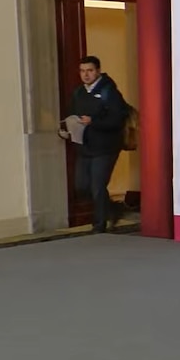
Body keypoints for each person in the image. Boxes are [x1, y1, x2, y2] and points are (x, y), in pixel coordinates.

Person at [61, 55, 128, 233]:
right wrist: (67, 128)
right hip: (84, 146)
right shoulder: (78, 92)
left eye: (90, 71)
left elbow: (118, 118)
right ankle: (113, 209)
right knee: (81, 185)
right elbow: (72, 114)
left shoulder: (109, 91)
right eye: (82, 71)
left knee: (97, 186)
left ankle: (99, 225)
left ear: (98, 71)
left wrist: (94, 122)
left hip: (106, 146)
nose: (86, 75)